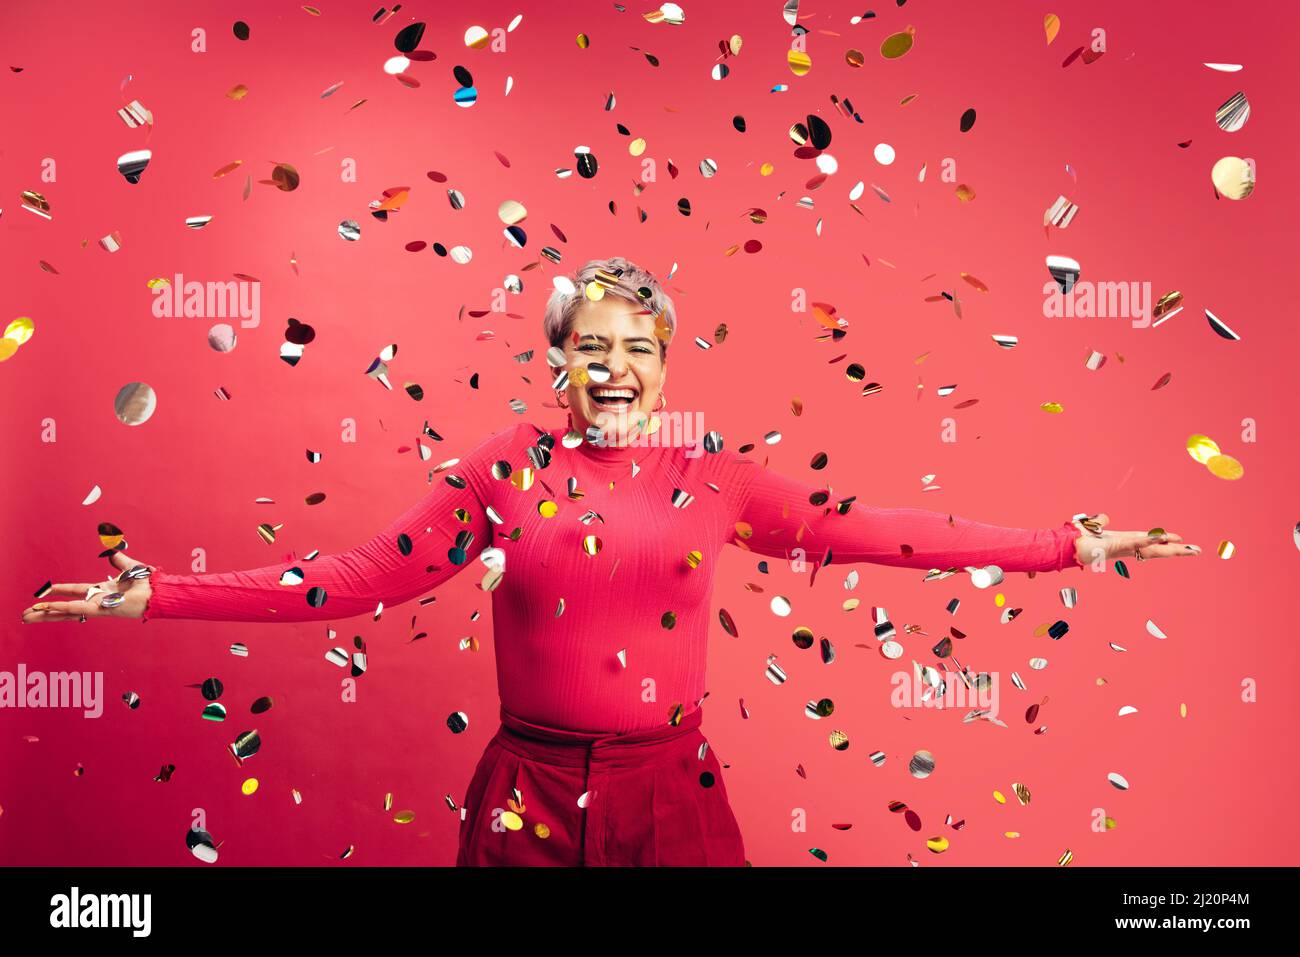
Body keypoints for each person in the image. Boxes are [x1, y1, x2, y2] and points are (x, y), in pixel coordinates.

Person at [20, 256, 1202, 866]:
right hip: (527, 795)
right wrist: (156, 592)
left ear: (666, 360)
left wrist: (1063, 546)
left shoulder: (715, 476)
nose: (618, 367)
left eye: (640, 347)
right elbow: (360, 576)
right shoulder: (504, 465)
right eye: (595, 346)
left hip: (673, 796)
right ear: (561, 357)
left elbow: (878, 529)